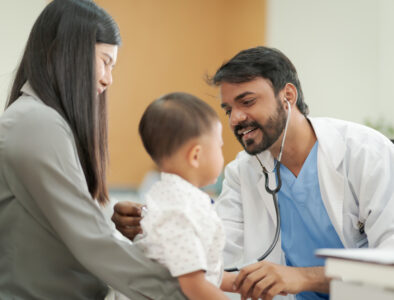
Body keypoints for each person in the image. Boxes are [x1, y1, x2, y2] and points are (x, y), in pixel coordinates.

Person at [112, 46, 394, 300]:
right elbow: (214, 251)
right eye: (228, 109)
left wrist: (303, 277)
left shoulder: (365, 153)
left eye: (247, 102)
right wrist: (155, 223)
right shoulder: (243, 171)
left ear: (288, 96)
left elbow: (390, 267)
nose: (235, 119)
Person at [0, 1, 187, 299]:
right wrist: (183, 291)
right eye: (105, 61)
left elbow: (79, 231)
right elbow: (93, 242)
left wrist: (107, 220)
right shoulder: (37, 124)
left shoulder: (37, 119)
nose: (108, 79)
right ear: (67, 53)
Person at [134, 92, 239, 299]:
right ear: (196, 155)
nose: (222, 153)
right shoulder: (178, 210)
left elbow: (206, 273)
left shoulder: (174, 197)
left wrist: (241, 282)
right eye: (219, 146)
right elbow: (194, 286)